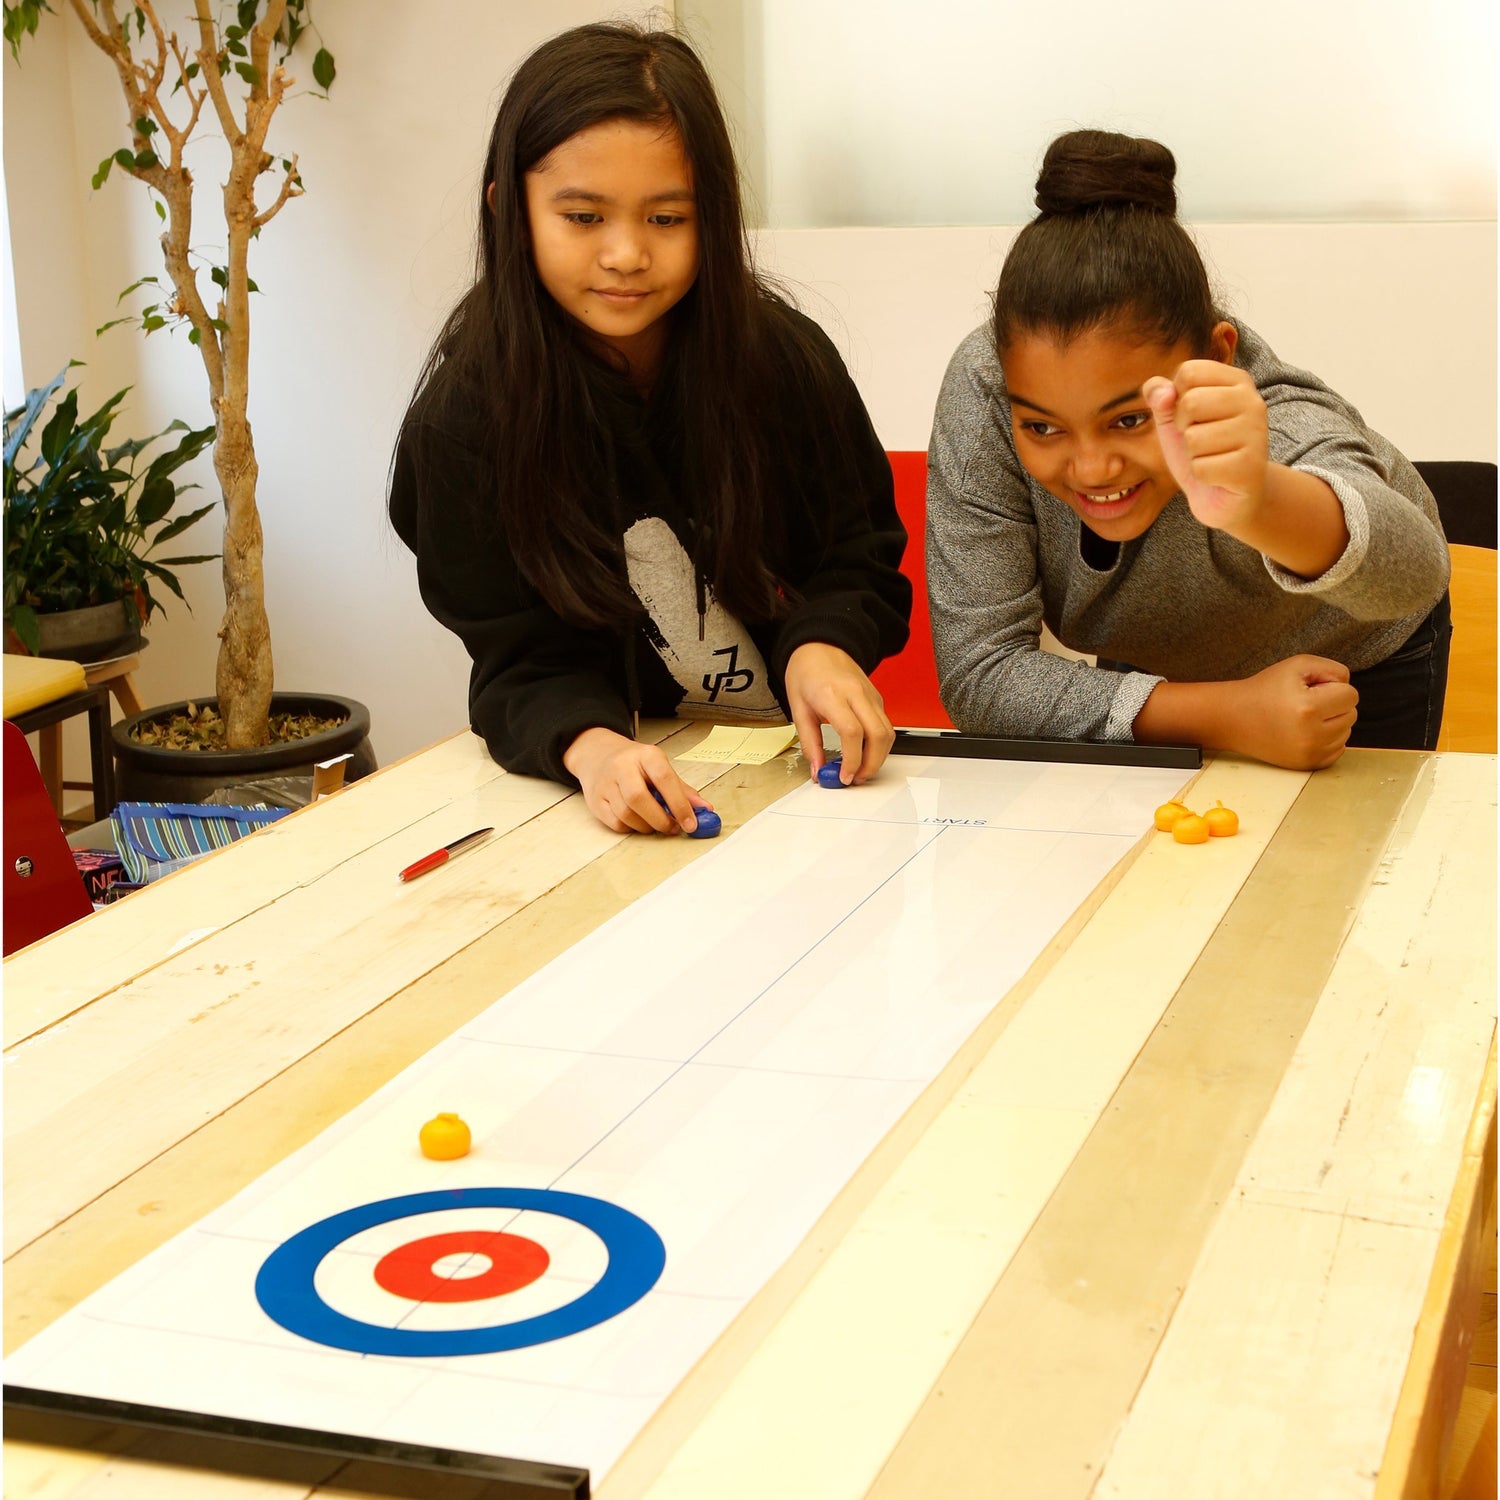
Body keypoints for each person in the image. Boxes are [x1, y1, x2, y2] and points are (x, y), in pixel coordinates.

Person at [390, 24, 910, 834]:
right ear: (510, 212)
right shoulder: (466, 420)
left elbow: (860, 557)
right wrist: (593, 749)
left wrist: (823, 646)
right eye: (584, 216)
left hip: (809, 789)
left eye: (667, 219)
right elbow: (518, 663)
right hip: (606, 799)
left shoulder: (782, 363)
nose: (627, 254)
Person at [927, 130, 1451, 770]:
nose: (1092, 470)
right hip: (1162, 669)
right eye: (1043, 428)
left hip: (1349, 663)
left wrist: (1257, 498)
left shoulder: (1276, 414)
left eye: (1129, 419)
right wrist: (1228, 715)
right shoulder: (987, 391)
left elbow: (1414, 575)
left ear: (1218, 357)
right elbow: (981, 675)